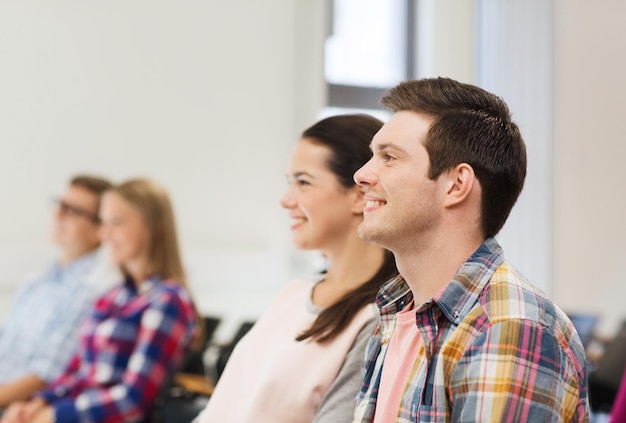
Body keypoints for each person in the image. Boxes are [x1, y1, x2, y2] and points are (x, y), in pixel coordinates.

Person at [352, 77, 590, 422]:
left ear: (457, 185)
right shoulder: (397, 313)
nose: (362, 175)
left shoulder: (507, 327)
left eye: (389, 157)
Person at [194, 114, 398, 423]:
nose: (286, 200)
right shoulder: (294, 294)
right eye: (289, 183)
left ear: (359, 195)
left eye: (303, 182)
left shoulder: (376, 320)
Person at [1, 178, 201, 423]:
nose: (104, 234)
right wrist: (36, 404)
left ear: (154, 227)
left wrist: (54, 415)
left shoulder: (167, 301)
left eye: (116, 222)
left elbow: (133, 400)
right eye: (103, 222)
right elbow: (76, 372)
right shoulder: (113, 296)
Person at [0, 175, 118, 408]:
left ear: (98, 229)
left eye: (72, 211)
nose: (57, 215)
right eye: (59, 205)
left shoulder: (93, 292)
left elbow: (45, 377)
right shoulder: (37, 281)